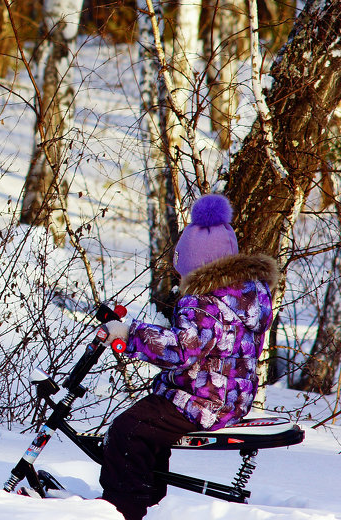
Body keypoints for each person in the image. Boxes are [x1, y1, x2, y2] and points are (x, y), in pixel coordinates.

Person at [97, 193, 280, 520]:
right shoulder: (249, 293)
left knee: (129, 429)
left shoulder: (203, 301)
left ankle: (121, 511)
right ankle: (152, 500)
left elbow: (183, 349)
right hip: (231, 398)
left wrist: (129, 334)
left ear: (196, 265)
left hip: (200, 400)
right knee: (150, 426)